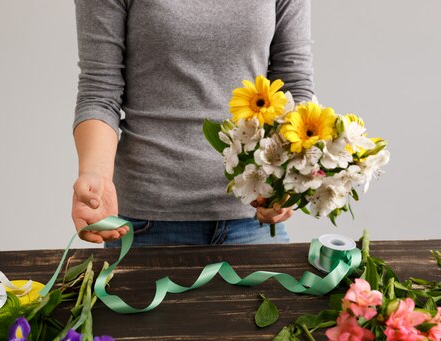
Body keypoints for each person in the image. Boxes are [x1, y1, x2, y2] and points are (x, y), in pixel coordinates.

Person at [71, 0, 314, 247]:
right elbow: (100, 92)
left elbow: (293, 86)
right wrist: (96, 177)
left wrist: (288, 180)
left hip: (253, 216)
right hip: (147, 223)